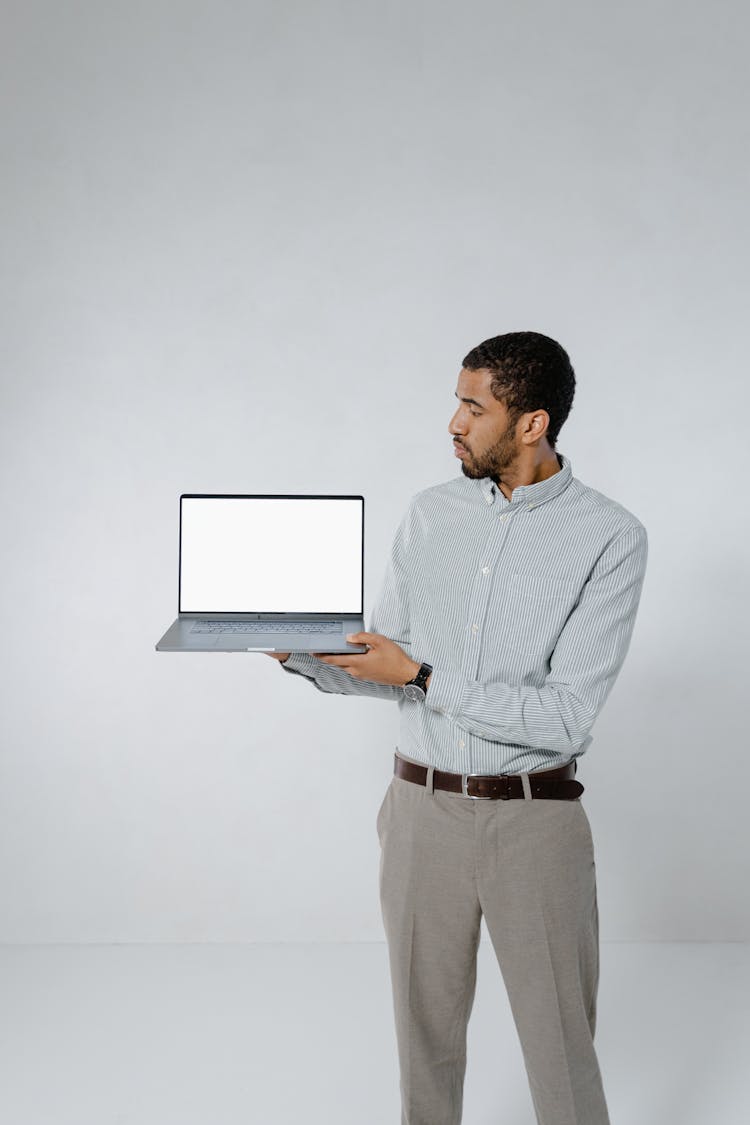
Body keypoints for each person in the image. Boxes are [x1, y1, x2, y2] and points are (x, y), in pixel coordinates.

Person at [267, 330, 648, 1125]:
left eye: (473, 406)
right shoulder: (430, 515)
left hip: (535, 824)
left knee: (561, 1053)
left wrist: (424, 675)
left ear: (532, 422)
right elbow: (391, 669)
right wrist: (301, 652)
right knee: (423, 1047)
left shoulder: (610, 537)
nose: (453, 421)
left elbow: (563, 715)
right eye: (457, 401)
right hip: (418, 815)